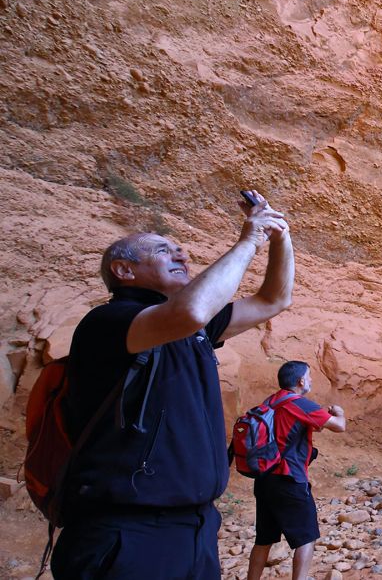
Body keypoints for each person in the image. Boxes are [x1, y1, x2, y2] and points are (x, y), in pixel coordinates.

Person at [52, 191, 293, 579]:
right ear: (124, 271)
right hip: (127, 533)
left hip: (194, 529)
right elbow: (193, 310)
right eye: (164, 250)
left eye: (180, 249)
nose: (181, 255)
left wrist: (279, 236)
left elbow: (274, 300)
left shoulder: (190, 331)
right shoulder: (109, 322)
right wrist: (249, 240)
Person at [247, 360, 346, 580]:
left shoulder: (270, 402)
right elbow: (339, 426)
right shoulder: (300, 404)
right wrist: (339, 413)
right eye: (309, 377)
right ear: (301, 381)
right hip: (289, 479)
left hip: (264, 480)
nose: (310, 380)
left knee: (264, 539)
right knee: (306, 538)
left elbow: (302, 427)